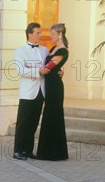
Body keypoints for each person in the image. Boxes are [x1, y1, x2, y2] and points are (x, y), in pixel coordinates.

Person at [13, 22, 48, 160]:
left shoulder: (44, 50)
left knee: (33, 123)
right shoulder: (20, 51)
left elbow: (49, 66)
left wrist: (59, 72)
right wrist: (37, 70)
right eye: (38, 33)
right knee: (22, 123)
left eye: (40, 32)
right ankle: (17, 151)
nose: (40, 35)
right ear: (30, 34)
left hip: (41, 91)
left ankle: (28, 151)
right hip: (27, 92)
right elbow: (21, 70)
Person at [36, 23, 69, 160]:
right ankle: (46, 152)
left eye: (53, 34)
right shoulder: (54, 48)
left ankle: (54, 153)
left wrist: (31, 67)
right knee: (48, 116)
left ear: (60, 35)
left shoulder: (63, 51)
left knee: (53, 116)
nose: (50, 36)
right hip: (49, 85)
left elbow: (49, 67)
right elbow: (53, 68)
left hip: (55, 87)